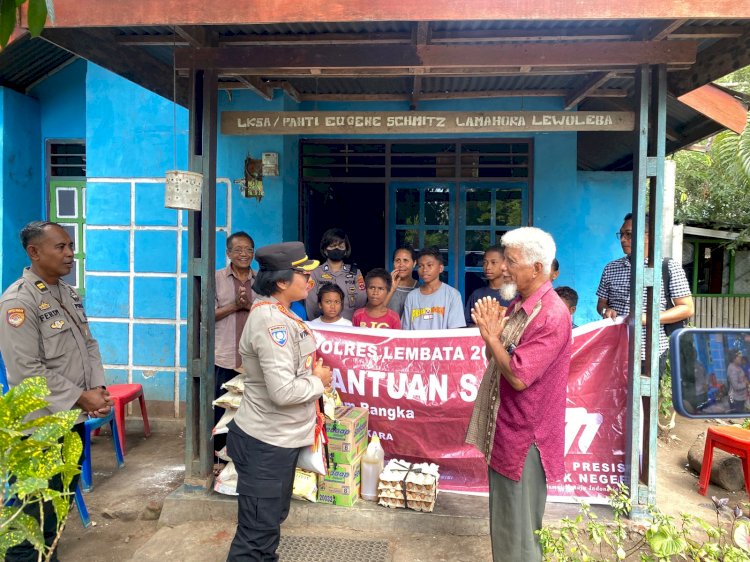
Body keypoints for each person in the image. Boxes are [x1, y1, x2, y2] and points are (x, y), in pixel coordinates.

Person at [0, 221, 112, 562]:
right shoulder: (18, 302)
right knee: (30, 517)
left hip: (70, 419)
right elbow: (26, 372)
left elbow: (88, 344)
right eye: (60, 247)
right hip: (40, 430)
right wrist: (82, 396)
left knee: (57, 507)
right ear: (34, 252)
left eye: (70, 246)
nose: (69, 254)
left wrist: (97, 389)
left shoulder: (66, 292)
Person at [466, 227, 570, 562]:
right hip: (507, 432)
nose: (504, 268)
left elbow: (519, 377)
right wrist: (492, 338)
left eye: (511, 261)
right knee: (507, 527)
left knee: (520, 538)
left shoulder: (551, 315)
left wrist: (491, 337)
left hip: (526, 441)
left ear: (537, 268)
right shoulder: (521, 306)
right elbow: (499, 361)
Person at [226, 242, 333, 561]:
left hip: (278, 443)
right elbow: (282, 392)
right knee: (256, 535)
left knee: (268, 525)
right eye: (304, 273)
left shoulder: (283, 314)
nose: (310, 280)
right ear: (283, 281)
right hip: (265, 446)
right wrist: (318, 381)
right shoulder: (271, 323)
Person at [596, 212, 694, 372]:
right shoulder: (611, 268)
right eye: (621, 234)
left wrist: (645, 318)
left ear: (649, 236)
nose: (622, 240)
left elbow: (686, 308)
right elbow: (601, 303)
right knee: (615, 396)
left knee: (645, 396)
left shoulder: (668, 268)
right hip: (614, 348)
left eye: (628, 234)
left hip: (650, 352)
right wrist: (606, 310)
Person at [214, 231, 256, 455]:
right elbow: (205, 315)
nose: (244, 254)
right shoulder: (216, 278)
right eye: (238, 249)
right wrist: (234, 306)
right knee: (222, 410)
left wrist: (249, 305)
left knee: (250, 410)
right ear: (229, 253)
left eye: (248, 249)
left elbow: (268, 314)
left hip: (253, 358)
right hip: (224, 356)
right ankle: (218, 457)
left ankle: (242, 458)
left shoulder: (261, 282)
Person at [305, 228, 366, 322]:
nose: (336, 249)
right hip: (323, 327)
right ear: (325, 250)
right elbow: (311, 305)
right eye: (332, 246)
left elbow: (361, 302)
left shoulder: (355, 273)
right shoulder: (315, 273)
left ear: (346, 250)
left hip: (350, 326)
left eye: (341, 246)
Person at [401, 247, 466, 330]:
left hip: (443, 343)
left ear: (440, 268)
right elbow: (405, 331)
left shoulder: (452, 295)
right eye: (420, 266)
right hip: (416, 343)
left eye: (429, 265)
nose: (424, 269)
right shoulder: (412, 297)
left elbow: (455, 332)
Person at [464, 245, 511, 326]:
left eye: (493, 262)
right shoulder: (477, 295)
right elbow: (467, 324)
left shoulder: (514, 295)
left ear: (505, 265)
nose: (488, 267)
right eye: (485, 262)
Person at [385, 245, 419, 318]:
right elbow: (373, 312)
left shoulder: (420, 289)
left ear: (414, 263)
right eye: (397, 260)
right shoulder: (384, 287)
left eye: (405, 260)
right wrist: (391, 289)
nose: (401, 265)